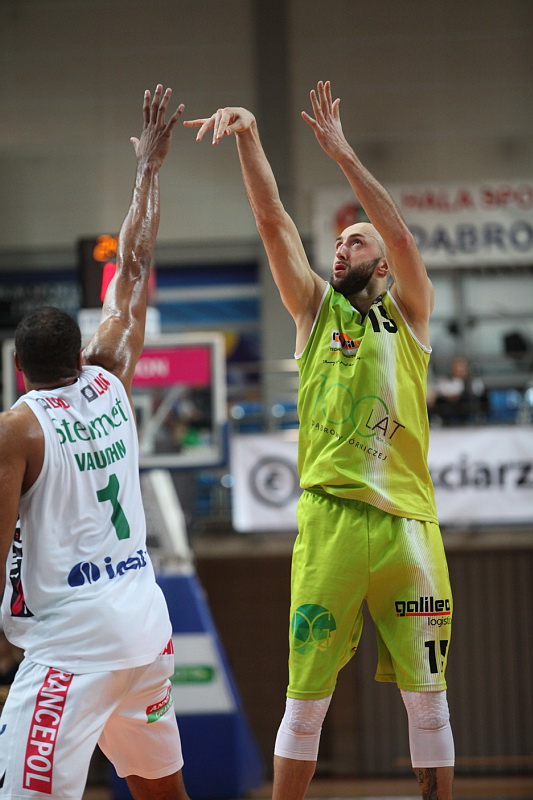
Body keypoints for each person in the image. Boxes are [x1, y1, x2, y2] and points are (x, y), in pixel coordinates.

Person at [185, 81, 455, 800]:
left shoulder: (411, 313)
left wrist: (341, 155)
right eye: (336, 240)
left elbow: (401, 235)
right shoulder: (312, 309)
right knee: (305, 700)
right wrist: (249, 137)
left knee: (428, 701)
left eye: (354, 239)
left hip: (408, 527)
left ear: (384, 264)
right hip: (330, 521)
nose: (340, 246)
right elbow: (272, 220)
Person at [0, 85, 190, 800]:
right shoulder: (110, 379)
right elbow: (132, 268)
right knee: (162, 791)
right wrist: (148, 170)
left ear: (18, 368)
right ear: (79, 355)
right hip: (142, 628)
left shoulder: (17, 429)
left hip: (72, 647)